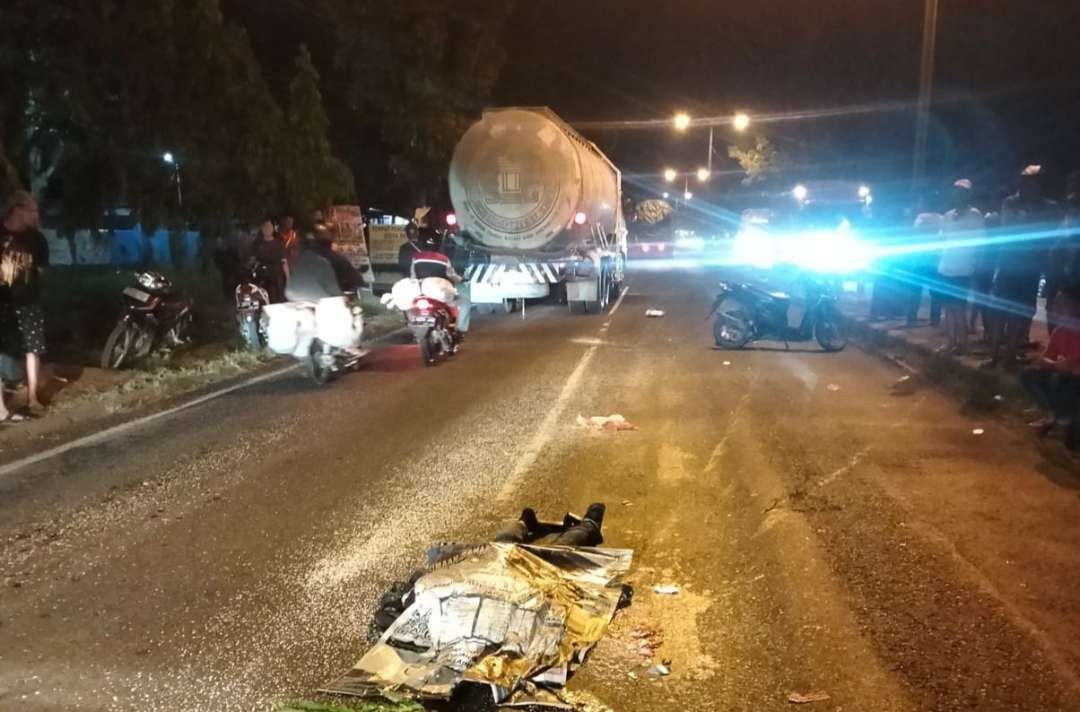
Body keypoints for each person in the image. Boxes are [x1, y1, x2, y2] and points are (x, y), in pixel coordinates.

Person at [987, 165, 1059, 368]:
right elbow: (1008, 229)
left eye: (1036, 182)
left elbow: (1049, 235)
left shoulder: (1049, 207)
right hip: (1009, 264)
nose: (1032, 186)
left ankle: (1009, 354)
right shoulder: (1011, 203)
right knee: (1000, 310)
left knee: (1020, 312)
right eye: (1028, 181)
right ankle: (994, 354)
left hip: (1031, 268)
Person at [0, 190, 48, 415]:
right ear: (17, 209)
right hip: (2, 303)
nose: (36, 215)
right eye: (32, 210)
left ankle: (32, 398)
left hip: (28, 302)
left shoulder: (37, 239)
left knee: (33, 348)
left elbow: (40, 271)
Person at [1020, 286, 1080, 432]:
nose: (1056, 309)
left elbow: (1074, 369)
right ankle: (1052, 414)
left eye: (1063, 305)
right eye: (1055, 305)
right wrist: (1054, 365)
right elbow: (1045, 361)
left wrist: (1057, 366)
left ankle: (1063, 419)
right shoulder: (1059, 331)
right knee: (1030, 373)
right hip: (1065, 376)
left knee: (1065, 380)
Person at [936, 179, 983, 354]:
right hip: (946, 266)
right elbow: (943, 239)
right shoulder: (948, 215)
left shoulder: (975, 215)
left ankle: (962, 343)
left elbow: (980, 241)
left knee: (959, 307)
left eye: (961, 193)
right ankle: (950, 341)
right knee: (948, 306)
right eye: (955, 193)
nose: (957, 196)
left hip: (963, 268)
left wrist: (976, 262)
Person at [1045, 171, 1080, 335]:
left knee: (1068, 311)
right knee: (1054, 308)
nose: (1071, 189)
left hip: (1072, 272)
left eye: (1074, 185)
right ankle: (1057, 349)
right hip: (1059, 270)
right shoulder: (1068, 209)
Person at [907, 209, 944, 327]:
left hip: (920, 260)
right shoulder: (942, 218)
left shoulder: (920, 218)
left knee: (915, 291)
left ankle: (911, 319)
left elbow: (914, 236)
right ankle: (935, 318)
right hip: (933, 261)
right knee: (935, 293)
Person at [251, 219, 289, 303]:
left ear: (272, 228)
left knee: (278, 301)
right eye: (265, 227)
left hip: (277, 278)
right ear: (262, 228)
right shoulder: (257, 244)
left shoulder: (279, 243)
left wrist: (288, 278)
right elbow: (252, 260)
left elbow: (284, 262)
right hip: (262, 278)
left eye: (269, 227)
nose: (267, 229)